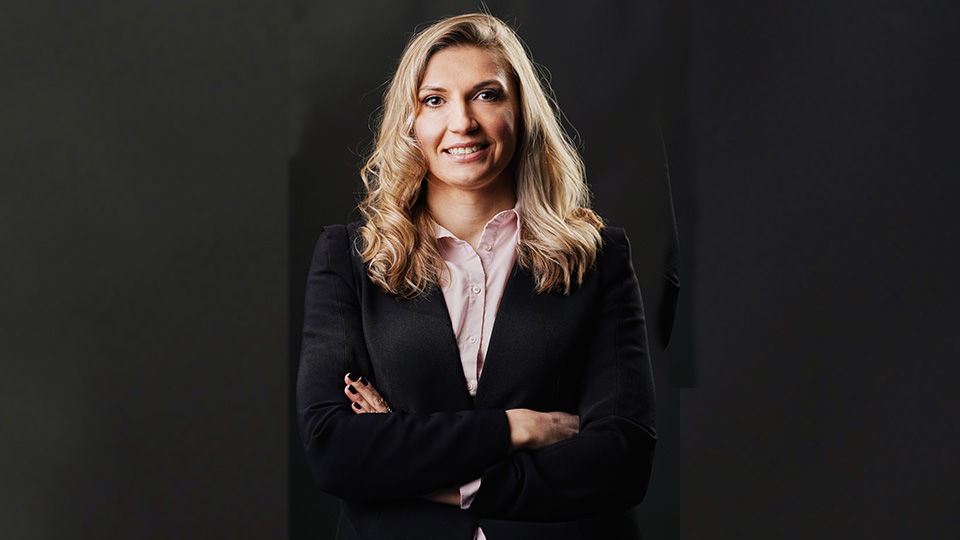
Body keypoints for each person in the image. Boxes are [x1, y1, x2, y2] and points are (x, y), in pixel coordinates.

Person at [297, 12, 656, 540]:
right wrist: (518, 428)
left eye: (486, 95)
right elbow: (334, 451)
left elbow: (622, 460)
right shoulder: (350, 258)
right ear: (410, 123)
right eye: (434, 100)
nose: (462, 122)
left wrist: (426, 475)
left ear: (522, 112)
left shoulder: (597, 259)